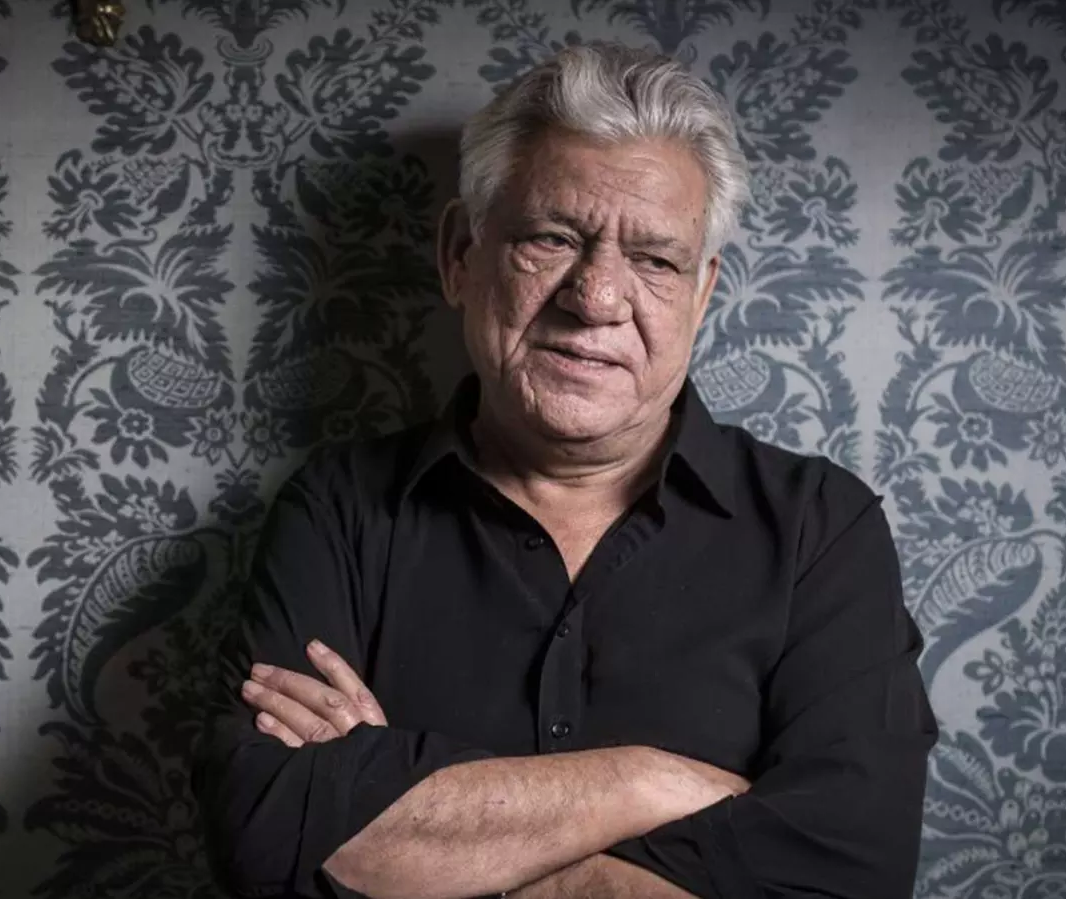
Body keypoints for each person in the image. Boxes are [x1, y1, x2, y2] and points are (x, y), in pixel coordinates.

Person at [194, 42, 937, 899]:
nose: (597, 298)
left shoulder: (821, 529)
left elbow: (852, 872)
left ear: (701, 293)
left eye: (654, 259)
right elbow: (266, 839)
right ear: (459, 255)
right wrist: (645, 782)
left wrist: (420, 836)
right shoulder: (338, 511)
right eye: (553, 238)